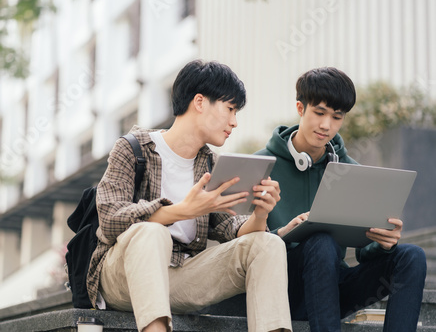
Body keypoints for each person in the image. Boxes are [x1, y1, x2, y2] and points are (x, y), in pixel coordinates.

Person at [87, 60, 292, 332]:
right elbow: (110, 220)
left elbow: (231, 229)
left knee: (267, 243)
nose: (234, 122)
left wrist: (260, 214)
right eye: (230, 109)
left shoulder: (210, 165)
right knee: (152, 232)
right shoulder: (133, 149)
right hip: (122, 277)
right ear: (199, 102)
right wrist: (183, 210)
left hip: (181, 278)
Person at [255, 67, 427, 332]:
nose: (327, 126)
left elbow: (363, 252)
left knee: (412, 255)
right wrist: (282, 232)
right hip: (279, 289)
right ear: (300, 108)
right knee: (321, 241)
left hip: (330, 291)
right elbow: (238, 244)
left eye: (337, 117)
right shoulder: (260, 166)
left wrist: (384, 243)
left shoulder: (351, 170)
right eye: (319, 113)